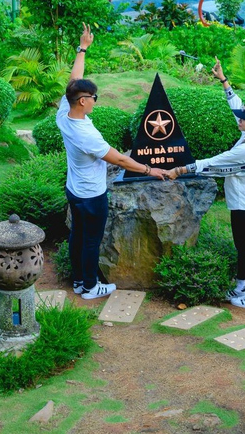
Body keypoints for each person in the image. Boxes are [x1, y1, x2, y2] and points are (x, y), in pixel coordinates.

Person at [56, 23, 165, 300]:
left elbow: (73, 80)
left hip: (75, 190)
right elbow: (118, 159)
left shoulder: (64, 111)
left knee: (77, 236)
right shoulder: (85, 134)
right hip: (92, 195)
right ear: (82, 101)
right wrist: (151, 170)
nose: (95, 101)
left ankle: (80, 281)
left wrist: (83, 48)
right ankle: (91, 288)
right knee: (91, 240)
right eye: (93, 98)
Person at [166, 56, 245, 308]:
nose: (238, 120)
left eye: (243, 118)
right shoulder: (244, 133)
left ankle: (243, 293)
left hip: (243, 204)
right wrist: (223, 80)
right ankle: (241, 284)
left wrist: (180, 169)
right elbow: (236, 107)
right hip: (239, 200)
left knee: (243, 246)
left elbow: (215, 162)